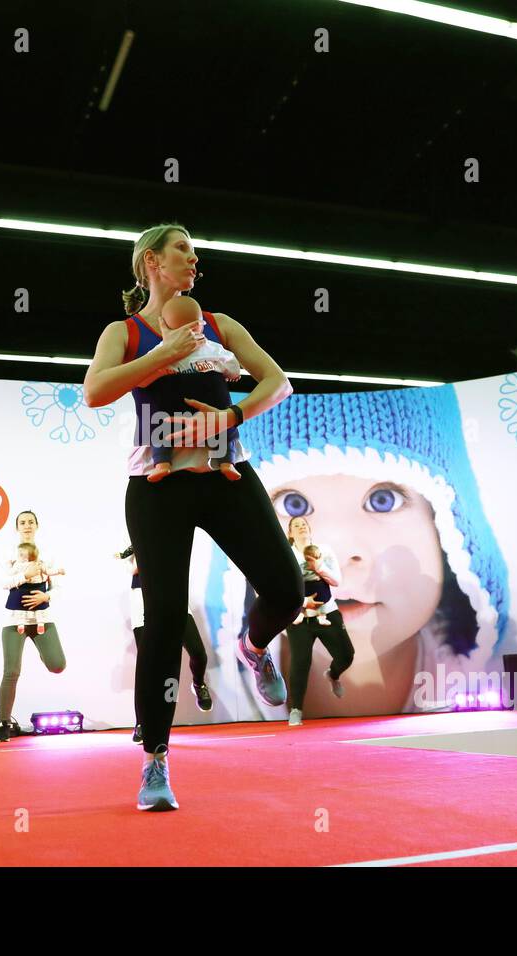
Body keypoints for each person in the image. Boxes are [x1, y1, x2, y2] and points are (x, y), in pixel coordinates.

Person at [84, 222, 302, 811]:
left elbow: (278, 382)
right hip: (158, 489)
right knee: (162, 621)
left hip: (227, 476)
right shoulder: (123, 332)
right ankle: (155, 759)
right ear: (151, 262)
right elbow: (95, 391)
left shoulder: (221, 326)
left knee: (287, 589)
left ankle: (252, 648)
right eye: (183, 249)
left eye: (196, 251)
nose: (195, 259)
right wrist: (159, 357)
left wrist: (227, 419)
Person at [234, 387, 511, 718]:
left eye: (384, 499)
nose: (337, 548)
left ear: (448, 528)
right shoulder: (210, 690)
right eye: (292, 504)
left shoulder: (493, 687)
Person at [140, 294, 243, 482]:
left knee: (162, 428)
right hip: (188, 401)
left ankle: (164, 464)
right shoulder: (208, 347)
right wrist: (232, 373)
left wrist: (159, 370)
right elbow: (231, 363)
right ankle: (226, 462)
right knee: (220, 426)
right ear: (201, 324)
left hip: (191, 402)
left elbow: (143, 372)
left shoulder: (165, 349)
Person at [117, 544, 212, 744]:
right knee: (147, 670)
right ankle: (142, 722)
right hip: (142, 602)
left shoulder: (169, 534)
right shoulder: (132, 543)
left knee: (198, 653)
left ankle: (198, 683)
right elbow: (133, 569)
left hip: (172, 597)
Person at [0, 510, 67, 742]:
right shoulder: (9, 553)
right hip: (14, 619)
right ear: (16, 527)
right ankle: (4, 723)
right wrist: (24, 576)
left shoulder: (48, 554)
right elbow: (3, 582)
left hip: (41, 619)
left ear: (37, 525)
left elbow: (58, 586)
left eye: (30, 522)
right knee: (12, 671)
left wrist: (45, 597)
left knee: (57, 664)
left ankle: (42, 647)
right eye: (22, 522)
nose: (27, 525)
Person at [282, 517, 355, 726]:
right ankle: (296, 709)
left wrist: (319, 568)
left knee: (347, 655)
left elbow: (336, 581)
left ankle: (333, 675)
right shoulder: (287, 555)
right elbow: (283, 586)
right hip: (300, 616)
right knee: (301, 661)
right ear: (290, 533)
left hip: (327, 612)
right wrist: (304, 601)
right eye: (296, 525)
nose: (301, 526)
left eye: (304, 524)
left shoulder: (323, 550)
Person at [8, 542, 51, 635]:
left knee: (40, 609)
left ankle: (40, 623)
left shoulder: (39, 563)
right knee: (21, 607)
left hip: (37, 588)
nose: (18, 555)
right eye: (19, 553)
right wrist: (10, 565)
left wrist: (57, 571)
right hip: (23, 588)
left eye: (21, 554)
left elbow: (47, 571)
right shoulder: (18, 564)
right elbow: (10, 574)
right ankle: (20, 624)